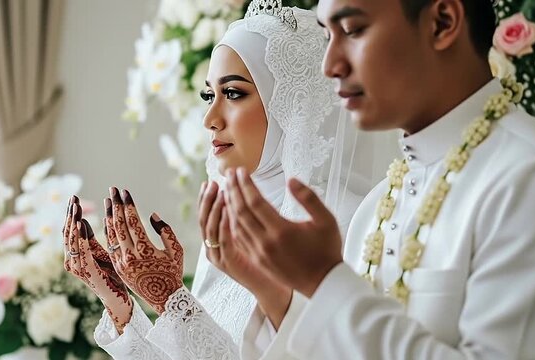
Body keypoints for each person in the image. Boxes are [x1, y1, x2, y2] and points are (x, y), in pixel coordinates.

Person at [216, 0, 535, 358]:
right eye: (326, 36)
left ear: (442, 23)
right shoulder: (377, 206)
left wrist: (322, 279)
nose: (330, 65)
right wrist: (273, 291)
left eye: (352, 31)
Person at [63, 2, 381, 359]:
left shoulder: (348, 223)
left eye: (233, 93)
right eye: (209, 95)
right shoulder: (230, 220)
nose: (210, 119)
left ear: (293, 106)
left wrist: (171, 299)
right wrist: (118, 301)